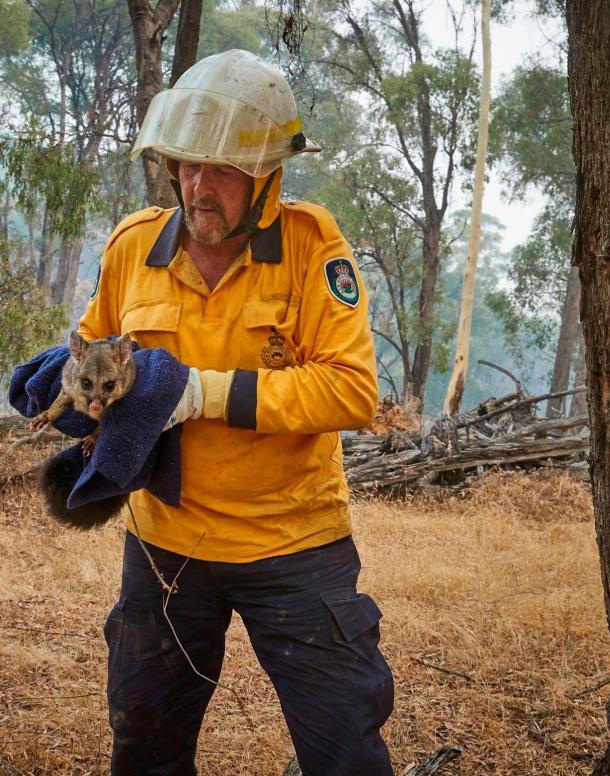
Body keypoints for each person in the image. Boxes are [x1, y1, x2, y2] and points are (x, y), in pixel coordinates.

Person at [77, 49, 394, 775]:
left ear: (267, 177)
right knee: (145, 749)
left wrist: (202, 393)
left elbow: (351, 390)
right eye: (186, 165)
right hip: (165, 549)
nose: (197, 186)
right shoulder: (133, 248)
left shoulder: (313, 250)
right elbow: (101, 349)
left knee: (345, 753)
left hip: (294, 544)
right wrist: (75, 399)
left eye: (220, 170)